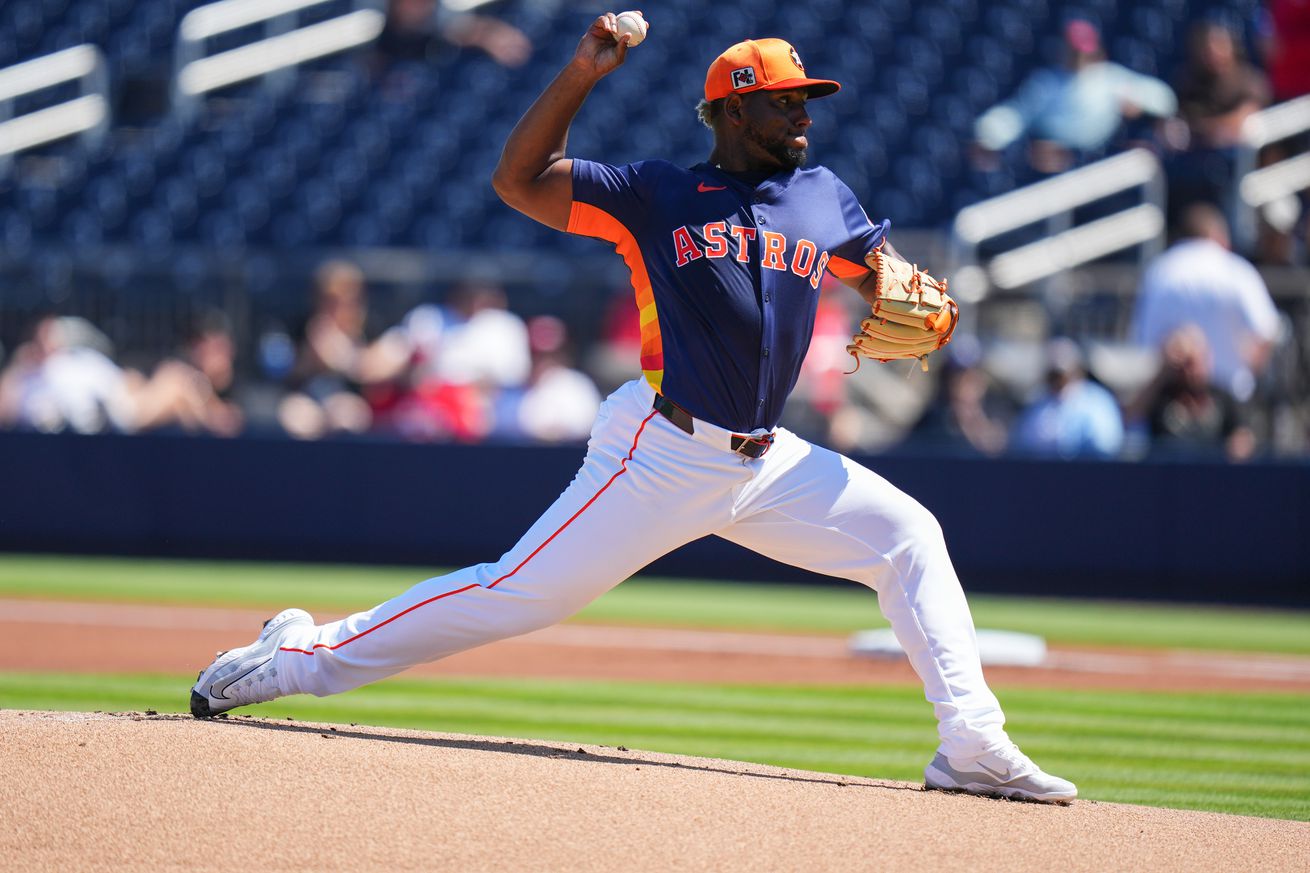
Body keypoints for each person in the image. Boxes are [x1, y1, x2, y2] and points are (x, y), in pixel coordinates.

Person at [190, 17, 1077, 805]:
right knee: (513, 594)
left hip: (768, 461)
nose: (805, 114)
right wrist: (583, 73)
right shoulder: (656, 193)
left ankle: (972, 745)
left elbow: (880, 274)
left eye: (808, 99)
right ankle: (296, 658)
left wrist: (906, 288)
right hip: (659, 450)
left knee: (911, 536)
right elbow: (517, 179)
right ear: (733, 112)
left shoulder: (823, 195)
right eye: (784, 101)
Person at [973, 18, 1177, 175]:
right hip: (1054, 162)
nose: (1078, 57)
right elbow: (1016, 115)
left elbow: (1162, 98)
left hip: (1100, 158)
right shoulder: (1045, 83)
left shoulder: (1110, 78)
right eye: (1074, 51)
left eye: (1083, 52)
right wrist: (990, 134)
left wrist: (1138, 105)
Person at [1132, 204, 1281, 404]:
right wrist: (1250, 368)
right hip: (1227, 400)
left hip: (1168, 403)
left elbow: (1139, 340)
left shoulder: (1159, 270)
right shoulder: (1235, 269)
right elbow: (1267, 330)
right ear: (1216, 234)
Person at [1010, 337, 1124, 460]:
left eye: (1063, 376)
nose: (1058, 382)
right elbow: (1023, 445)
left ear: (1077, 371)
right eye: (1053, 376)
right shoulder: (1037, 402)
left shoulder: (1098, 402)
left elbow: (1105, 445)